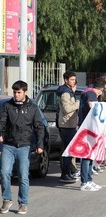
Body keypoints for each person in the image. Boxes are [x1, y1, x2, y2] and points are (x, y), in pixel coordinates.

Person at [0, 80, 45, 214]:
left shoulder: (32, 107)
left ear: (25, 92)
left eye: (19, 92)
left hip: (24, 146)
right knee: (4, 173)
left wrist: (40, 144)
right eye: (14, 92)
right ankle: (7, 199)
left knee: (23, 176)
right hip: (9, 145)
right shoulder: (8, 106)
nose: (16, 95)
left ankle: (23, 203)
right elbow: (2, 122)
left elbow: (39, 126)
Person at [78, 77, 106, 191]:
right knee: (87, 155)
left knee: (90, 155)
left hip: (87, 127)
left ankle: (89, 180)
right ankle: (85, 182)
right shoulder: (92, 94)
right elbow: (91, 104)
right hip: (88, 127)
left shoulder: (87, 92)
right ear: (101, 89)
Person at [57, 71, 80, 183]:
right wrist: (78, 104)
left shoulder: (69, 91)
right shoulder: (65, 93)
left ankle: (68, 172)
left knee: (69, 151)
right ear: (66, 80)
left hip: (70, 124)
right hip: (66, 125)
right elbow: (67, 109)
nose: (74, 81)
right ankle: (65, 174)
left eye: (74, 79)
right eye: (71, 79)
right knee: (67, 151)